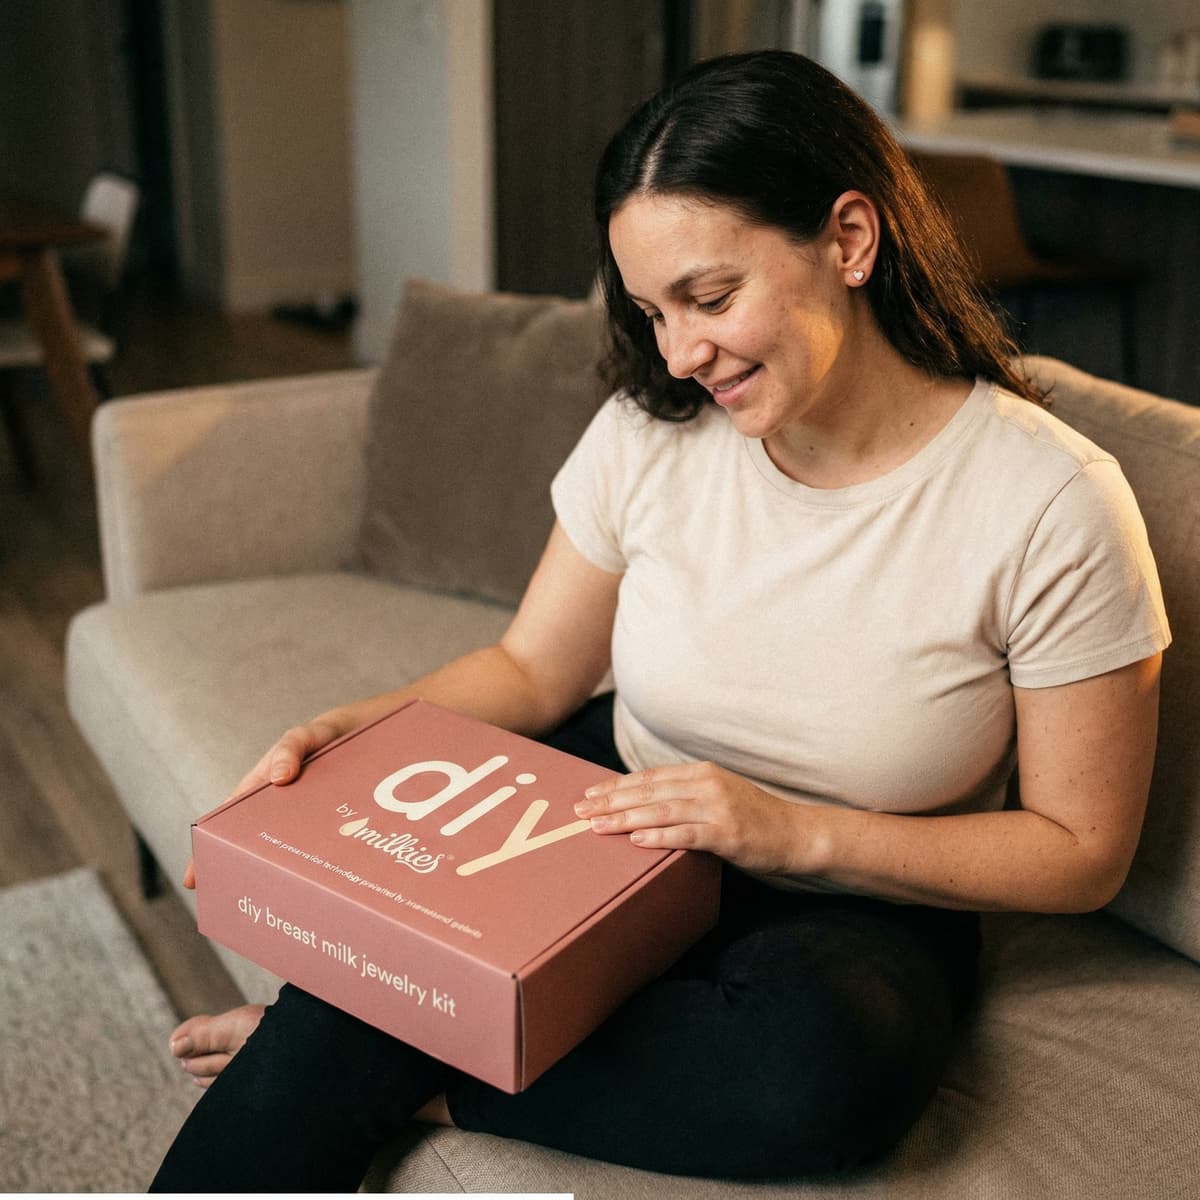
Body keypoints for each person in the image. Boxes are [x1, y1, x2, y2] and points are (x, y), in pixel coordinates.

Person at [150, 50, 1169, 1191]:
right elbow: (534, 668)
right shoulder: (656, 430)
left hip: (867, 878)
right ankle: (366, 1039)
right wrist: (357, 730)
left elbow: (1082, 855)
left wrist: (790, 831)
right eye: (651, 311)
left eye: (711, 297)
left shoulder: (1050, 504)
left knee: (813, 1081)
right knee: (374, 959)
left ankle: (405, 1063)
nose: (681, 354)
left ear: (849, 238)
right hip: (614, 804)